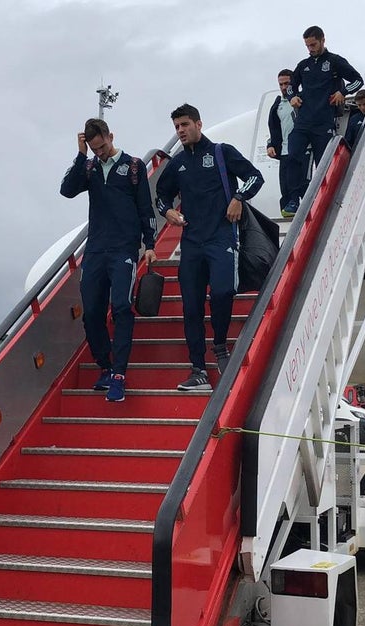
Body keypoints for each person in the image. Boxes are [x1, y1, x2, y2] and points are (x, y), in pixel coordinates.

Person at [155, 104, 264, 390]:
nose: (180, 131)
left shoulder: (221, 152)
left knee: (223, 291)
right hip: (191, 242)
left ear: (199, 124)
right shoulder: (177, 163)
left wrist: (239, 197)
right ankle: (198, 369)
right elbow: (161, 195)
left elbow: (255, 176)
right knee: (191, 306)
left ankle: (219, 345)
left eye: (185, 125)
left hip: (222, 238)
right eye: (177, 127)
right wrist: (167, 211)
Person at [59, 118, 156, 402]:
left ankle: (119, 375)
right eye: (94, 149)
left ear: (110, 136)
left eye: (102, 147)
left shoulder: (134, 166)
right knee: (91, 313)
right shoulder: (88, 168)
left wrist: (149, 244)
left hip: (124, 250)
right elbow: (67, 190)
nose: (99, 153)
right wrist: (80, 156)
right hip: (95, 250)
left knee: (122, 306)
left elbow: (145, 208)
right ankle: (105, 365)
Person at [285, 25, 364, 215]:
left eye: (313, 44)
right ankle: (293, 200)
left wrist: (342, 92)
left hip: (324, 122)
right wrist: (292, 97)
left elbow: (358, 80)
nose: (310, 49)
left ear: (322, 40)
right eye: (307, 46)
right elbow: (290, 87)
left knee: (324, 163)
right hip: (303, 121)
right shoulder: (303, 65)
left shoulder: (335, 61)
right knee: (293, 156)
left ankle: (324, 200)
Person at [266, 69, 301, 218]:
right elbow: (275, 129)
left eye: (287, 83)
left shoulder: (301, 100)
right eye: (281, 84)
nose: (284, 87)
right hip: (284, 151)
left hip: (301, 149)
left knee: (299, 186)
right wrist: (271, 144)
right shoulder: (277, 104)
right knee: (285, 187)